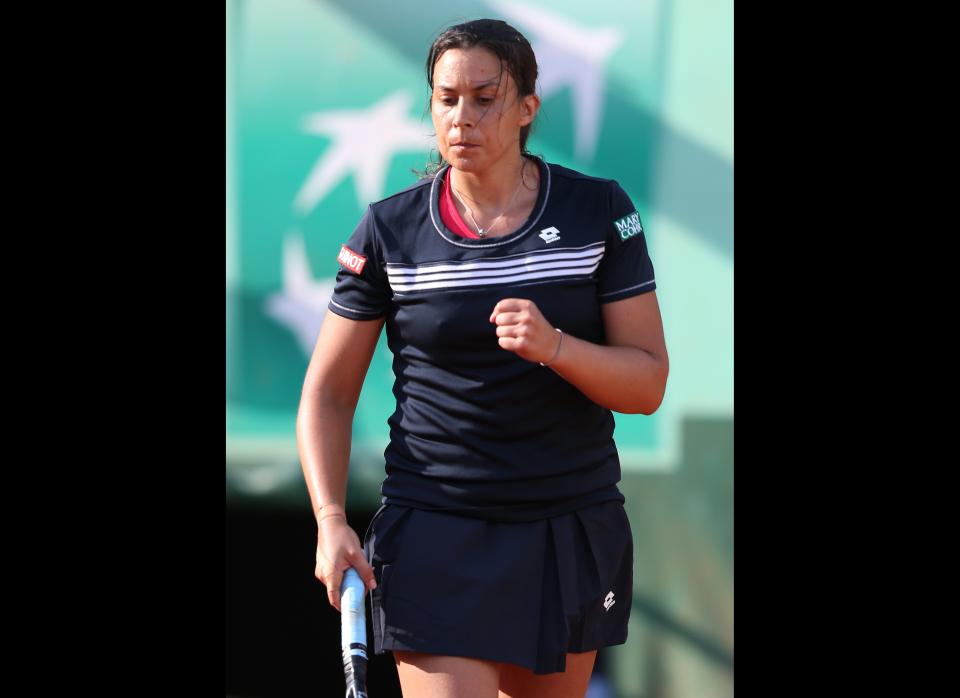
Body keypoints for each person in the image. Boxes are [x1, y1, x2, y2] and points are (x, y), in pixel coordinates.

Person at [297, 18, 668, 698]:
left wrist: (556, 347)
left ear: (527, 107)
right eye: (446, 98)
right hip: (434, 527)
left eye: (484, 97)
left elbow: (646, 383)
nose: (461, 117)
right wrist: (330, 522)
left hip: (569, 524)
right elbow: (326, 393)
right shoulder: (388, 230)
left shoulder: (599, 212)